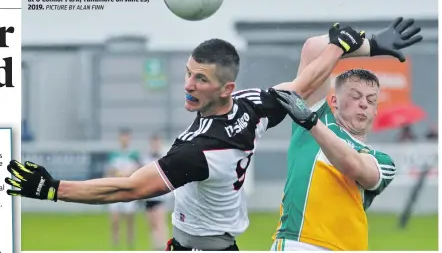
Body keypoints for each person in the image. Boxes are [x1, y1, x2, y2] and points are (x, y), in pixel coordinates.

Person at [4, 18, 413, 251]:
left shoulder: (202, 151)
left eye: (200, 79)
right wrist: (360, 44)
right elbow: (304, 84)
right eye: (188, 72)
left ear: (225, 88)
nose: (189, 84)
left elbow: (127, 189)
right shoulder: (251, 106)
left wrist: (55, 188)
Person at [268, 17, 423, 251]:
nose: (363, 104)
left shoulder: (381, 161)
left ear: (375, 110)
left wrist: (310, 123)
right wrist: (370, 46)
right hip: (298, 243)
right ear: (334, 101)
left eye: (371, 100)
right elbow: (313, 49)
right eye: (355, 96)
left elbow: (352, 166)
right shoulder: (317, 117)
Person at [105, 127, 142, 249]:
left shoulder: (134, 154)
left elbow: (139, 170)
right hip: (116, 189)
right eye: (123, 137)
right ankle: (115, 242)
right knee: (114, 219)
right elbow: (109, 171)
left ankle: (130, 242)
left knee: (129, 218)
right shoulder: (114, 154)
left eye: (127, 137)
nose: (125, 140)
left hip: (128, 189)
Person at [142, 133, 170, 250]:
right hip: (149, 195)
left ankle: (164, 245)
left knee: (160, 221)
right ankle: (155, 246)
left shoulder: (164, 156)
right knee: (151, 223)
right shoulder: (146, 157)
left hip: (160, 195)